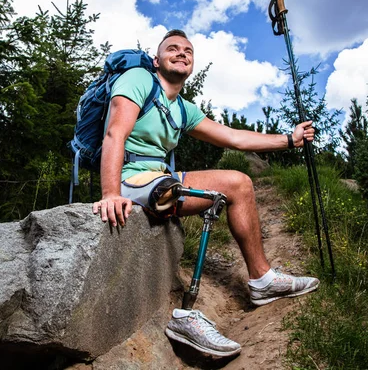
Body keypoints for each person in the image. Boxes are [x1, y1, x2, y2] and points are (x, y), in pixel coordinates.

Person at [92, 29, 319, 357]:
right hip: (132, 179)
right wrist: (110, 192)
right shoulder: (138, 79)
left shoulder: (182, 108)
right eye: (172, 48)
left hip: (162, 178)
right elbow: (115, 133)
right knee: (173, 191)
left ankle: (262, 280)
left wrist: (288, 139)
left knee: (239, 182)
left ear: (192, 62)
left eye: (188, 50)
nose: (181, 53)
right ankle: (185, 315)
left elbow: (233, 138)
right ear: (157, 60)